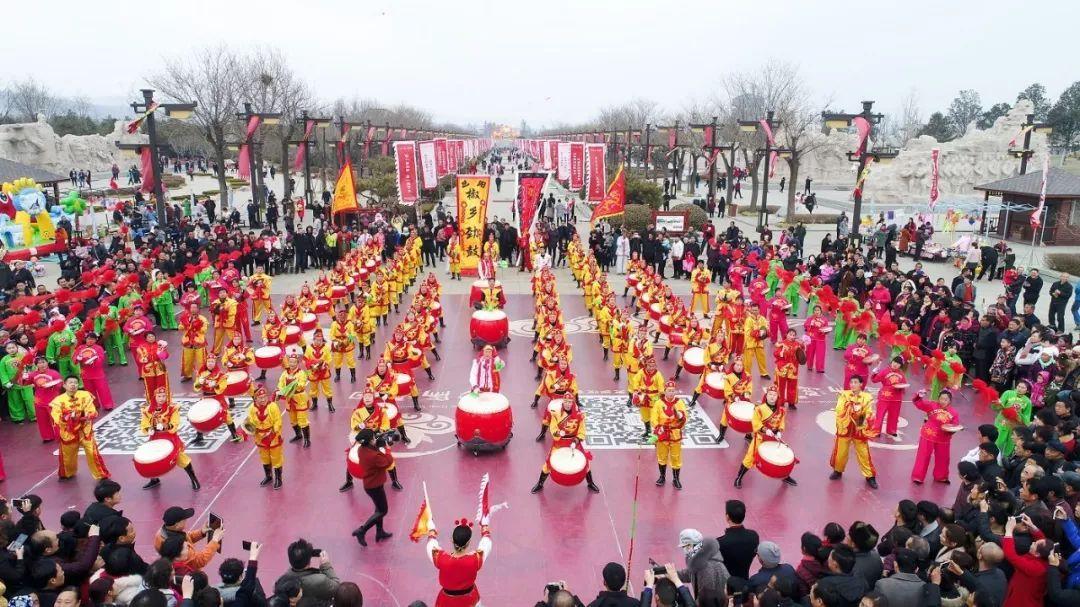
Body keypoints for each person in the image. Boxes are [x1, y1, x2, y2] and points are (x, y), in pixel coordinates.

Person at [531, 394, 601, 494]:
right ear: (563, 402)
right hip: (559, 442)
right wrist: (559, 433)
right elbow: (553, 428)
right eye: (566, 402)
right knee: (548, 463)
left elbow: (582, 431)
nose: (568, 404)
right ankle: (540, 483)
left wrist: (576, 441)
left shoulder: (579, 415)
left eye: (570, 402)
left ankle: (590, 483)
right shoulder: (556, 414)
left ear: (573, 403)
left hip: (574, 442)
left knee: (585, 462)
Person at [139, 387, 201, 491]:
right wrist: (148, 429)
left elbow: (175, 423)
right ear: (155, 397)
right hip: (155, 437)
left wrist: (165, 426)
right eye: (159, 396)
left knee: (181, 459)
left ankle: (194, 479)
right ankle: (154, 479)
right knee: (152, 458)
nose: (162, 398)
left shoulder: (172, 409)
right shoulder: (147, 410)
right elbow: (144, 424)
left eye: (164, 396)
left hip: (169, 437)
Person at [49, 376, 110, 480]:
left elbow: (92, 411)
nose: (73, 385)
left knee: (92, 452)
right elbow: (56, 416)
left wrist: (86, 415)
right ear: (64, 385)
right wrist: (66, 418)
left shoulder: (85, 395)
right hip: (69, 432)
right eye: (70, 383)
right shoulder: (58, 401)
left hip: (85, 430)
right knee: (68, 456)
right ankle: (67, 473)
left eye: (76, 383)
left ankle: (101, 474)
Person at [735, 384, 796, 488]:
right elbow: (756, 423)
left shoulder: (781, 410)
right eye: (770, 394)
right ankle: (739, 477)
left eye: (774, 395)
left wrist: (780, 430)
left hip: (774, 437)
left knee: (781, 456)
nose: (772, 396)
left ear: (777, 397)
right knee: (750, 458)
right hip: (761, 437)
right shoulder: (759, 409)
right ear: (766, 395)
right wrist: (764, 430)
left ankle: (785, 476)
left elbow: (781, 422)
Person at [425, 517, 492, 607]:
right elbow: (486, 543)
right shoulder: (475, 559)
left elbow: (431, 544)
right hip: (470, 601)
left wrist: (431, 529)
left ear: (452, 540)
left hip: (446, 601)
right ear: (468, 543)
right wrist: (485, 526)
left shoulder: (442, 559)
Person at [829, 376, 878, 489]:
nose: (852, 384)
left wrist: (858, 418)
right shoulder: (844, 395)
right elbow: (839, 409)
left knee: (864, 453)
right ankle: (838, 470)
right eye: (851, 382)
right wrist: (850, 407)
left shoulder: (867, 397)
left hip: (858, 429)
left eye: (855, 382)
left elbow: (869, 413)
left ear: (861, 384)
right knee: (841, 452)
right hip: (845, 428)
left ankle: (870, 476)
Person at [349, 429, 394, 546]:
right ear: (369, 441)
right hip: (375, 486)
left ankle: (380, 532)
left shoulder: (362, 449)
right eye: (373, 438)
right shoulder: (374, 456)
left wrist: (378, 445)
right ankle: (362, 530)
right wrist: (387, 448)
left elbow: (373, 451)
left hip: (370, 484)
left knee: (378, 509)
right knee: (383, 510)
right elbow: (388, 461)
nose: (375, 439)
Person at [910, 389, 960, 485]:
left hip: (944, 437)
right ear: (938, 399)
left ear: (950, 401)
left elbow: (955, 425)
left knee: (943, 457)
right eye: (941, 399)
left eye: (945, 400)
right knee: (924, 455)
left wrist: (951, 430)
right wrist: (919, 396)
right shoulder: (931, 405)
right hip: (929, 435)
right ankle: (918, 477)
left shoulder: (954, 412)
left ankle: (941, 477)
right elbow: (919, 404)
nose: (943, 401)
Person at [274, 540, 340, 603]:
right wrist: (326, 565)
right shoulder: (320, 580)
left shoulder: (284, 579)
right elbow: (337, 587)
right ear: (308, 562)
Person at [245, 384, 284, 489]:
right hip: (260, 436)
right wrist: (251, 429)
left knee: (276, 457)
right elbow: (251, 421)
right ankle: (268, 476)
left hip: (272, 436)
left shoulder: (272, 406)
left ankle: (278, 478)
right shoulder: (252, 408)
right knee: (264, 457)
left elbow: (278, 421)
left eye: (264, 397)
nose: (262, 400)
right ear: (256, 398)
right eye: (260, 398)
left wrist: (273, 432)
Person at [651, 380, 688, 489]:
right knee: (662, 456)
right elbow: (653, 418)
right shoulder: (658, 403)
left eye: (673, 391)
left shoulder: (679, 402)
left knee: (676, 458)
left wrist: (680, 415)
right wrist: (658, 427)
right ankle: (662, 477)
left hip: (675, 435)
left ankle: (676, 479)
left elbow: (685, 417)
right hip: (662, 434)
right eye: (669, 391)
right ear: (665, 391)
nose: (671, 393)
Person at [677, 529, 728, 606]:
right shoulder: (701, 561)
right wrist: (670, 574)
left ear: (691, 546)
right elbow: (689, 574)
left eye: (684, 547)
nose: (684, 550)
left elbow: (706, 599)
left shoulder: (706, 568)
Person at [715, 500, 759, 580]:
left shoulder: (720, 543)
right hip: (744, 580)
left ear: (727, 517)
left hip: (726, 584)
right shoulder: (754, 536)